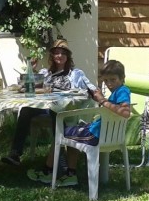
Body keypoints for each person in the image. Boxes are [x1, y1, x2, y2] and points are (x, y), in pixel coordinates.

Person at [27, 59, 131, 187]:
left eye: (113, 80)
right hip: (102, 132)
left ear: (122, 78)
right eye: (106, 80)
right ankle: (70, 173)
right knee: (73, 129)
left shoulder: (122, 91)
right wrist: (99, 99)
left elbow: (125, 112)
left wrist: (103, 101)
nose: (109, 84)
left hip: (96, 135)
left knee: (61, 133)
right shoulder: (119, 91)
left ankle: (48, 172)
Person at [1, 39, 91, 167]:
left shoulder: (76, 74)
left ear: (67, 56)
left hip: (64, 109)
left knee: (56, 111)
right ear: (52, 56)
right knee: (26, 109)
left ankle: (59, 157)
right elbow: (28, 87)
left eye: (63, 53)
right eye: (56, 53)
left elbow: (87, 90)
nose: (59, 56)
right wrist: (31, 70)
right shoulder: (46, 73)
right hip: (46, 107)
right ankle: (15, 153)